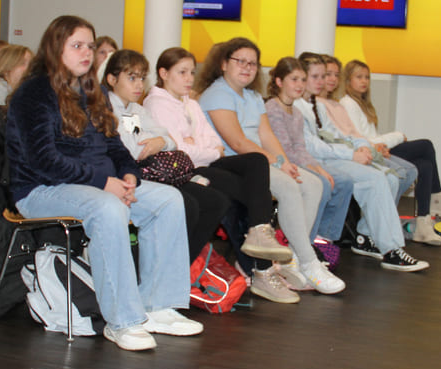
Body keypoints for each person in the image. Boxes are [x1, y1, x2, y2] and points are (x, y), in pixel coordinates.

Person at [6, 15, 201, 351]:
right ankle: (122, 321)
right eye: (77, 46)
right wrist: (103, 182)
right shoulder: (33, 92)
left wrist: (128, 175)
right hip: (40, 190)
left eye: (90, 46)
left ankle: (157, 306)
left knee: (168, 200)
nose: (86, 53)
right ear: (55, 49)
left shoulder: (88, 90)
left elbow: (114, 145)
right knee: (108, 207)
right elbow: (43, 161)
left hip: (96, 184)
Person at [195, 37, 331, 304]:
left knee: (312, 184)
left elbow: (265, 134)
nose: (247, 68)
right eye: (240, 61)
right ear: (224, 64)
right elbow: (236, 141)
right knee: (291, 188)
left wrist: (284, 161)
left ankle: (292, 256)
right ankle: (307, 261)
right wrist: (275, 162)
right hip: (234, 162)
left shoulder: (253, 96)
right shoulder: (217, 94)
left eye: (253, 64)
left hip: (259, 160)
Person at [143, 46, 292, 271]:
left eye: (192, 72)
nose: (189, 79)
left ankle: (260, 234)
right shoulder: (156, 104)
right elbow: (179, 151)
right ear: (164, 74)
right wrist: (202, 147)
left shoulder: (191, 104)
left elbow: (216, 144)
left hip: (205, 162)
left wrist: (198, 145)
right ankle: (259, 265)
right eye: (182, 72)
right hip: (186, 170)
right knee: (245, 194)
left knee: (256, 161)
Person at [272, 57, 427, 272]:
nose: (321, 81)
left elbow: (338, 134)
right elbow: (313, 147)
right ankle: (391, 250)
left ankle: (367, 236)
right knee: (374, 178)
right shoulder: (297, 106)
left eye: (323, 76)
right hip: (320, 160)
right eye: (314, 77)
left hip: (332, 155)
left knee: (390, 176)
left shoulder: (315, 104)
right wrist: (352, 155)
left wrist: (362, 147)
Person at [102, 50, 229, 262]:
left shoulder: (135, 109)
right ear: (112, 79)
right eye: (132, 78)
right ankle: (165, 265)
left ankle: (182, 265)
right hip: (128, 176)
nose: (138, 85)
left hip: (153, 171)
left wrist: (160, 141)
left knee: (215, 201)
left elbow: (167, 139)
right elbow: (135, 150)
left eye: (142, 78)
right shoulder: (107, 109)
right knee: (188, 204)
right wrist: (157, 139)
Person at [338, 58, 441, 225]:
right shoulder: (347, 104)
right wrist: (397, 136)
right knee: (425, 145)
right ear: (348, 80)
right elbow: (361, 140)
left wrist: (385, 143)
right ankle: (436, 199)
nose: (364, 81)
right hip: (369, 154)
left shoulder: (362, 104)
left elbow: (371, 137)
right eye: (359, 77)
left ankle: (423, 221)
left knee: (424, 165)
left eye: (367, 77)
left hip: (377, 150)